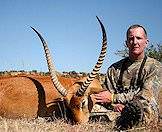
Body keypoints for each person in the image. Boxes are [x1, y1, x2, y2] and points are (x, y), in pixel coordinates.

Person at [92, 24, 162, 130]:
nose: (134, 42)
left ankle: (125, 121)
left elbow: (146, 96)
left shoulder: (155, 67)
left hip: (141, 109)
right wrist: (114, 105)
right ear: (126, 43)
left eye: (138, 38)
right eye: (131, 39)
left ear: (146, 42)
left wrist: (113, 98)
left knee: (145, 107)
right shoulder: (113, 69)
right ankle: (121, 120)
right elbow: (104, 96)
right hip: (117, 110)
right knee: (92, 105)